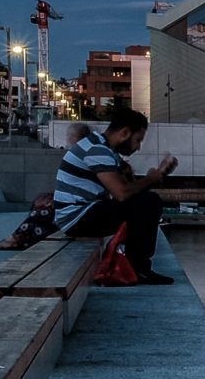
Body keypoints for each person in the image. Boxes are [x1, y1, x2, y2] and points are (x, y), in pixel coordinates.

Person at [52, 107, 178, 284]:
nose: (138, 148)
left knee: (146, 202)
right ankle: (138, 268)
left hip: (79, 215)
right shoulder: (97, 150)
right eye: (137, 140)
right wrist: (151, 178)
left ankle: (136, 265)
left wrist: (156, 176)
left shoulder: (103, 149)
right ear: (125, 133)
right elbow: (122, 193)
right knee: (150, 202)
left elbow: (130, 190)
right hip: (77, 217)